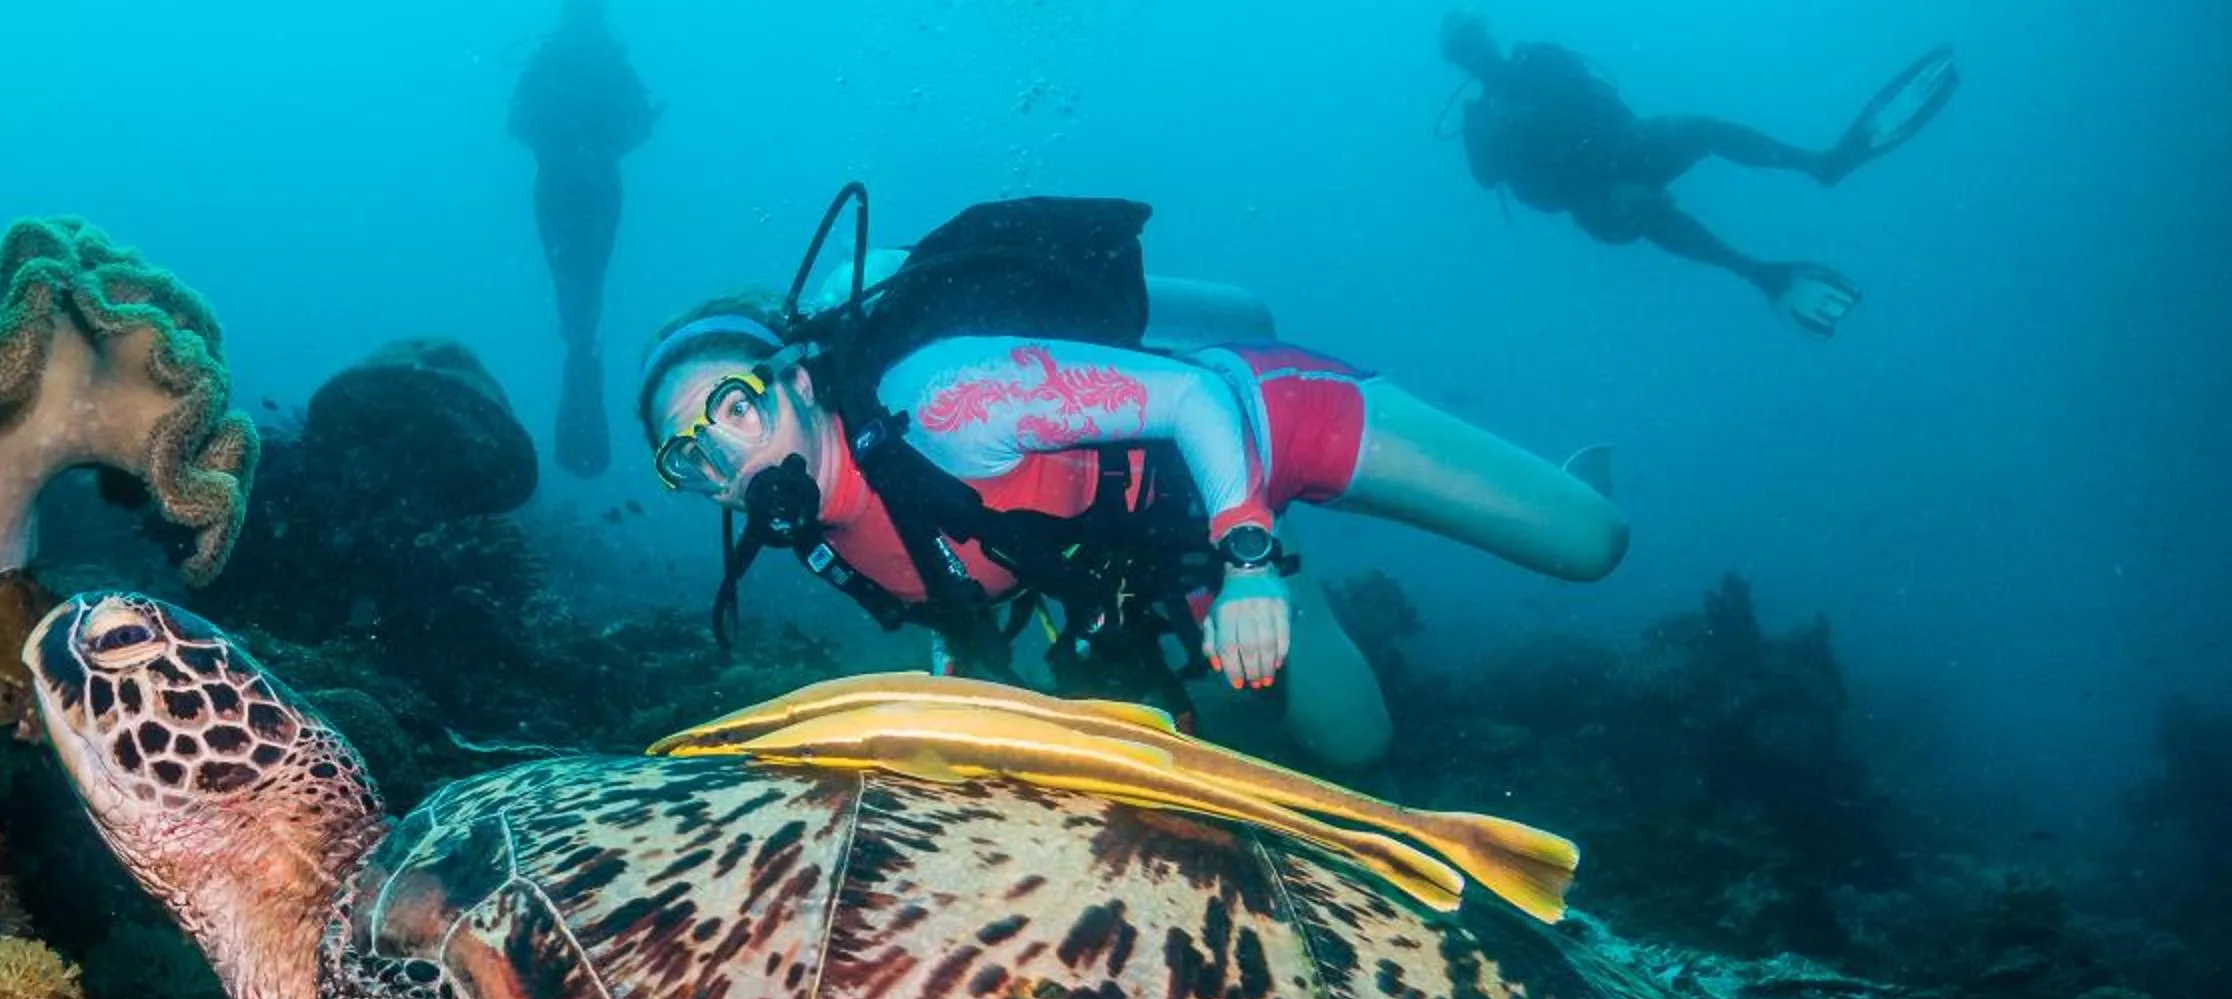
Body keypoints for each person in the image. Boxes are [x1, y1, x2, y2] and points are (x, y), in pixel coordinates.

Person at [637, 202, 1625, 768]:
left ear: (799, 382)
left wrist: (1243, 552)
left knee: (1589, 545)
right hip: (1145, 546)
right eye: (689, 454)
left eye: (734, 408)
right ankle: (1293, 579)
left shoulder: (948, 402)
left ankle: (1553, 481)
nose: (729, 459)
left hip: (1250, 420)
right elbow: (957, 585)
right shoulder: (815, 536)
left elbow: (1193, 400)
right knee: (1354, 745)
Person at [1440, 16, 1959, 338]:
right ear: (1456, 61)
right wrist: (1490, 131)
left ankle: (1822, 164)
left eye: (1475, 38)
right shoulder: (1481, 119)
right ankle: (1759, 273)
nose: (1474, 51)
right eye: (1463, 49)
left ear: (1489, 35)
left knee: (1696, 126)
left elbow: (1597, 96)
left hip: (1623, 144)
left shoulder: (1541, 58)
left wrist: (1538, 115)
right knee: (1637, 205)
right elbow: (1490, 180)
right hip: (1590, 195)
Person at [509, 0, 658, 478]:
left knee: (576, 285)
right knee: (583, 284)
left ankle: (581, 354)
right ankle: (582, 355)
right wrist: (596, 142)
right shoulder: (609, 62)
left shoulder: (549, 60)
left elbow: (516, 124)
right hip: (592, 185)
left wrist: (564, 140)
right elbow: (636, 127)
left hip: (560, 185)